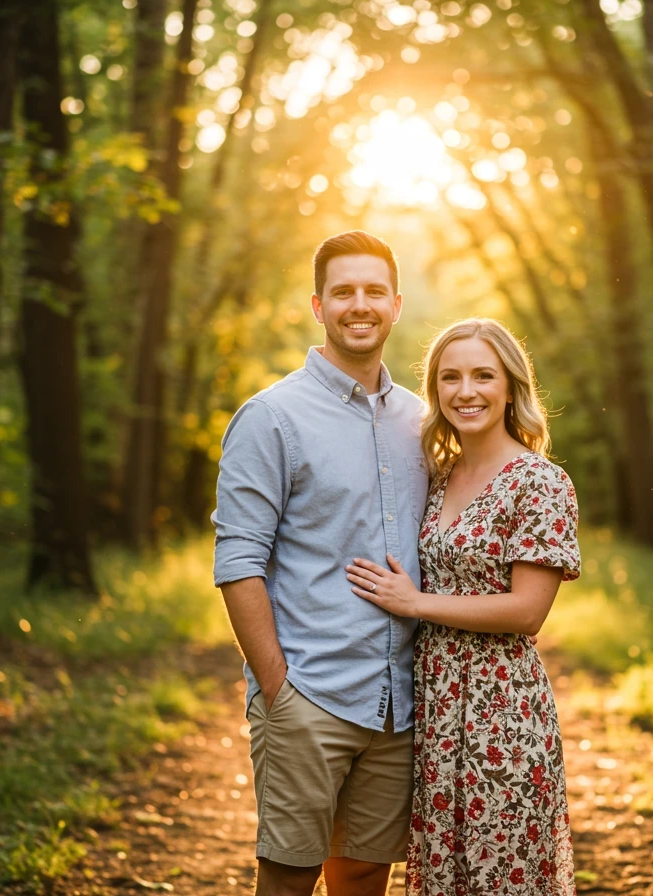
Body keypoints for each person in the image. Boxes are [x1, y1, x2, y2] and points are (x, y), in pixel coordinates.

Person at [212, 231, 428, 896]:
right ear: (318, 305)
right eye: (343, 292)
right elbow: (238, 559)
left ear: (394, 304)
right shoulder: (272, 417)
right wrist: (278, 687)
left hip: (400, 704)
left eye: (371, 292)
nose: (357, 305)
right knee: (289, 876)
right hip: (311, 693)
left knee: (364, 873)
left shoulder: (423, 420)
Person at [347, 318, 580, 895]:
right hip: (438, 707)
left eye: (483, 375)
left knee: (502, 874)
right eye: (449, 377)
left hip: (501, 711)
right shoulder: (441, 474)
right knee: (446, 872)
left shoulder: (540, 481)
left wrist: (416, 603)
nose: (465, 391)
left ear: (510, 387)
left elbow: (528, 611)